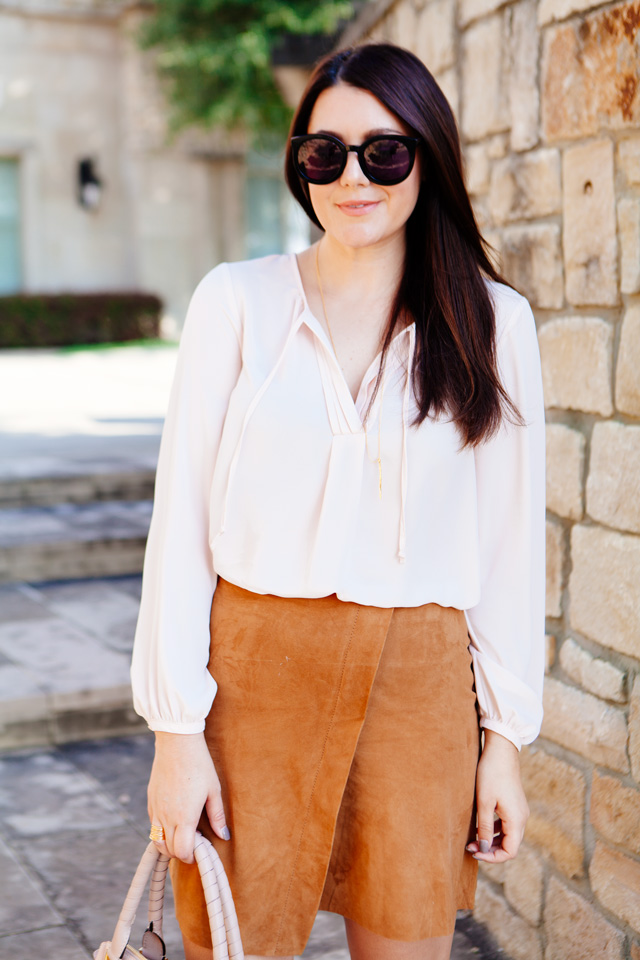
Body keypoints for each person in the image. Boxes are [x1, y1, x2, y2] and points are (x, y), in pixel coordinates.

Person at [131, 42, 545, 960]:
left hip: (420, 685)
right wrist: (174, 733)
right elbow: (183, 526)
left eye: (383, 151)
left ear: (426, 156)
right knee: (236, 945)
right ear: (300, 165)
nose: (353, 176)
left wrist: (505, 742)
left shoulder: (492, 322)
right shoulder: (236, 302)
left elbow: (512, 544)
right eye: (325, 153)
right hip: (252, 678)